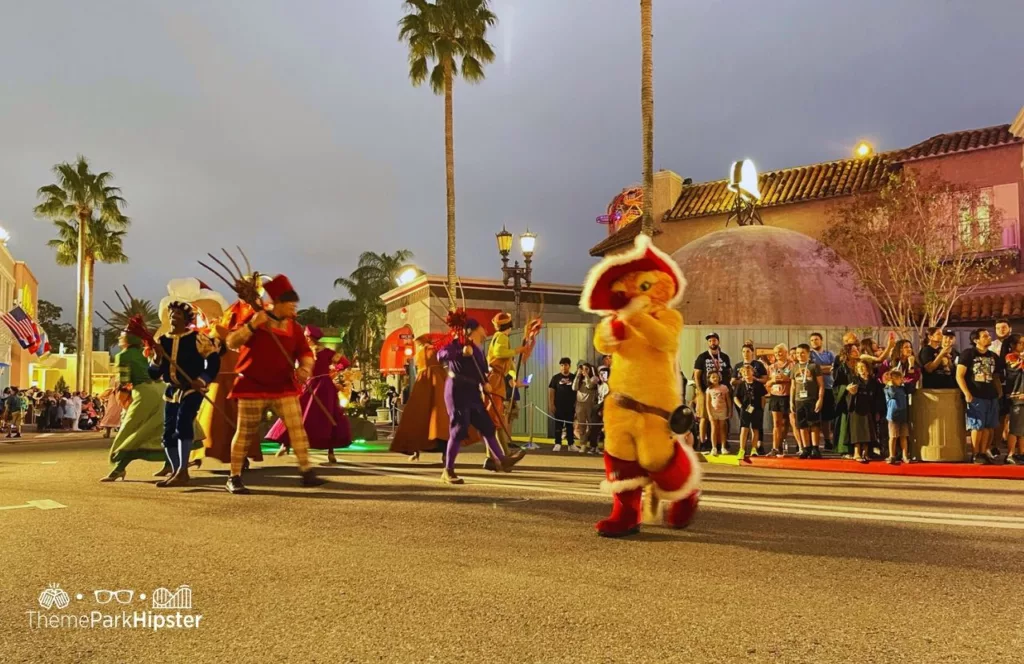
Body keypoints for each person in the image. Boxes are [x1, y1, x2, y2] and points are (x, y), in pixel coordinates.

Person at [224, 274, 325, 494]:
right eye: (291, 304)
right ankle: (234, 476)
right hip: (252, 385)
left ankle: (306, 471)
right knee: (245, 433)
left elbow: (306, 352)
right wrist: (252, 325)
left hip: (282, 386)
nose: (294, 308)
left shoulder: (294, 327)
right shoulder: (255, 318)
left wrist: (305, 369)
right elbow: (232, 342)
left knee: (297, 429)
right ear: (278, 303)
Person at [436, 312, 522, 484]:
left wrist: (485, 383)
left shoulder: (478, 350)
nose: (484, 330)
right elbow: (441, 355)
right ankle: (448, 470)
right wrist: (460, 350)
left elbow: (482, 370)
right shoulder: (457, 344)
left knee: (487, 426)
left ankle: (502, 459)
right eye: (482, 327)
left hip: (473, 391)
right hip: (457, 390)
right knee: (459, 429)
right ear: (473, 330)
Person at [148, 300, 220, 487]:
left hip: (191, 389)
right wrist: (156, 357)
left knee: (183, 422)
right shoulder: (162, 341)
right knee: (168, 432)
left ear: (186, 318)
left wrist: (202, 379)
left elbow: (213, 362)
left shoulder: (197, 338)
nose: (173, 316)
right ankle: (176, 470)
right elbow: (154, 374)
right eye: (172, 313)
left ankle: (182, 471)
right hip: (172, 390)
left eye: (178, 314)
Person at [265, 325, 352, 464]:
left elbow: (344, 364)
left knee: (320, 415)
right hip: (317, 385)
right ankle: (288, 444)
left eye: (306, 337)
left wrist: (332, 372)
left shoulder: (305, 352)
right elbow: (345, 363)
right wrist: (333, 370)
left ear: (309, 338)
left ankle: (287, 444)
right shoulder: (324, 352)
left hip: (317, 386)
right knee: (309, 414)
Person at [200, 291, 264, 471]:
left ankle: (241, 456)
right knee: (212, 416)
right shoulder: (230, 311)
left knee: (237, 419)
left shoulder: (257, 312)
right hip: (221, 374)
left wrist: (224, 333)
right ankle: (199, 453)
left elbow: (246, 340)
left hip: (238, 373)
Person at [102, 330, 168, 481]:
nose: (119, 337)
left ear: (128, 339)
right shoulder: (142, 353)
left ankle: (118, 468)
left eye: (122, 335)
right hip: (159, 389)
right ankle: (169, 463)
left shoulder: (122, 356)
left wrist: (120, 396)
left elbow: (124, 381)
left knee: (130, 431)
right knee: (157, 429)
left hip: (143, 393)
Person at [390, 334, 450, 463]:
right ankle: (445, 454)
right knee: (442, 416)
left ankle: (416, 450)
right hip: (438, 381)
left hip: (424, 383)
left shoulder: (422, 353)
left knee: (418, 415)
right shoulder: (435, 351)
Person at [483, 312, 525, 467]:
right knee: (496, 421)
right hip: (495, 381)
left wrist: (513, 375)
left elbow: (509, 363)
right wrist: (517, 350)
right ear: (510, 326)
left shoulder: (500, 337)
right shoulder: (502, 337)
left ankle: (493, 458)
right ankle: (504, 456)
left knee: (495, 421)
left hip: (497, 379)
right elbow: (501, 354)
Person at [956, 328, 1004, 464]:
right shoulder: (968, 354)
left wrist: (999, 390)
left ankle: (984, 451)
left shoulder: (993, 356)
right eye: (985, 336)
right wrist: (966, 393)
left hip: (991, 395)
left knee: (989, 426)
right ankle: (976, 453)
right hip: (976, 394)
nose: (988, 338)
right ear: (976, 340)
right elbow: (959, 375)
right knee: (977, 425)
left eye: (989, 336)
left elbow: (996, 376)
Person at [693, 333, 731, 451]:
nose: (712, 342)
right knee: (704, 417)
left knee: (722, 418)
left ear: (718, 342)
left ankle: (720, 442)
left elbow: (729, 372)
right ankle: (703, 441)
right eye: (710, 341)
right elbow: (697, 375)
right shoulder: (702, 357)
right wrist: (700, 391)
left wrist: (727, 388)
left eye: (714, 340)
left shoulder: (724, 357)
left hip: (721, 391)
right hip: (706, 391)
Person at [791, 343, 824, 459]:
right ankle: (806, 448)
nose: (800, 355)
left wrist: (820, 399)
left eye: (802, 353)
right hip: (799, 399)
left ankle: (815, 448)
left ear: (808, 353)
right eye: (798, 353)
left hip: (812, 399)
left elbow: (821, 385)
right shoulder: (795, 367)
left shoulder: (814, 366)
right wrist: (791, 401)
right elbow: (793, 386)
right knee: (802, 425)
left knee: (814, 424)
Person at [845, 360, 879, 464]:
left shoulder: (873, 382)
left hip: (869, 409)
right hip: (856, 409)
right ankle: (856, 453)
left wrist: (877, 411)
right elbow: (848, 395)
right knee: (857, 432)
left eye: (863, 367)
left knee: (867, 431)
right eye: (858, 367)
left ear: (868, 369)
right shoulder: (854, 380)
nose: (861, 369)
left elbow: (877, 397)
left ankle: (866, 452)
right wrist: (851, 392)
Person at [733, 365, 767, 461]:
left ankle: (754, 448)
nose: (747, 374)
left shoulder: (758, 385)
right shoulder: (740, 385)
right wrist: (740, 406)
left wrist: (762, 408)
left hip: (757, 409)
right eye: (744, 372)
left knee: (755, 429)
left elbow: (763, 397)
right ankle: (742, 449)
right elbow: (735, 397)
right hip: (745, 409)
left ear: (752, 372)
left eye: (748, 372)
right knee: (744, 428)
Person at [809, 333, 836, 449]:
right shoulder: (810, 354)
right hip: (814, 390)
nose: (814, 341)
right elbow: (811, 370)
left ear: (821, 340)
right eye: (812, 340)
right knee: (813, 417)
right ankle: (812, 443)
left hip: (828, 387)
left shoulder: (829, 354)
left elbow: (833, 369)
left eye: (816, 339)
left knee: (827, 417)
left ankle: (827, 440)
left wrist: (819, 368)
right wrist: (825, 368)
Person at [766, 344, 793, 457]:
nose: (778, 354)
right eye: (776, 353)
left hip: (787, 395)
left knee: (787, 422)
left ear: (786, 352)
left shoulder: (792, 365)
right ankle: (775, 447)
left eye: (780, 352)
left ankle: (784, 443)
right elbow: (767, 384)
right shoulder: (771, 367)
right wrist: (772, 381)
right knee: (776, 423)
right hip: (775, 396)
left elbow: (796, 381)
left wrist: (786, 379)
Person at [1003, 334, 1024, 464]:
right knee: (1015, 427)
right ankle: (1010, 454)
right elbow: (1018, 367)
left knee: (1022, 428)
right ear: (1013, 345)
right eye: (1021, 343)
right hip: (1017, 396)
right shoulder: (1010, 357)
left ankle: (1021, 452)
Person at [883, 369, 911, 464]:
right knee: (893, 436)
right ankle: (892, 455)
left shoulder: (902, 388)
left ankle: (905, 455)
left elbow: (911, 389)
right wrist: (891, 385)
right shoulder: (888, 388)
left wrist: (905, 383)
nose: (901, 380)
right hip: (893, 415)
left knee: (904, 435)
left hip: (903, 414)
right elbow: (892, 395)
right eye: (899, 378)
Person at [549, 358, 576, 452]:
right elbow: (552, 391)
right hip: (559, 406)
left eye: (566, 365)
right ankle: (557, 443)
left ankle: (571, 444)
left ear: (569, 366)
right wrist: (551, 404)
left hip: (570, 406)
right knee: (558, 425)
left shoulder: (574, 377)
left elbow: (577, 391)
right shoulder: (555, 378)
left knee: (570, 425)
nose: (564, 367)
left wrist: (576, 405)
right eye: (562, 365)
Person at [573, 363, 600, 454]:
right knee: (581, 425)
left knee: (592, 425)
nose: (584, 371)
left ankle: (593, 445)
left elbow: (590, 386)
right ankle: (583, 445)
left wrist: (587, 375)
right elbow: (574, 387)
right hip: (580, 405)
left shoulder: (594, 378)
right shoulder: (579, 379)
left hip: (590, 405)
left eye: (586, 369)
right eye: (583, 369)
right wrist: (578, 375)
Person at [704, 371, 731, 456]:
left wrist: (730, 411)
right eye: (713, 377)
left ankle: (723, 447)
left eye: (716, 377)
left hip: (723, 410)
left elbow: (728, 400)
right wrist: (709, 414)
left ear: (719, 377)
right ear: (709, 379)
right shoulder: (709, 390)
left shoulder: (724, 388)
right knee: (714, 429)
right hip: (713, 411)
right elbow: (707, 403)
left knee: (722, 428)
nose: (715, 379)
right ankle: (714, 447)